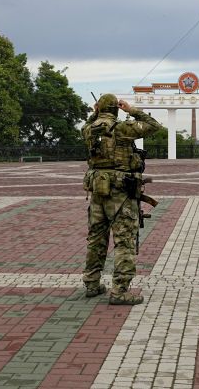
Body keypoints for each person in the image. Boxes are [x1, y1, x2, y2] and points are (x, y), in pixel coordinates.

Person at [81, 93, 162, 305]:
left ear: (99, 108)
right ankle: (119, 291)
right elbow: (153, 125)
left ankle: (91, 283)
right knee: (124, 241)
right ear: (116, 108)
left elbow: (86, 126)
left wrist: (94, 114)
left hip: (98, 191)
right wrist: (131, 110)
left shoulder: (89, 130)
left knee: (96, 239)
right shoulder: (121, 128)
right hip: (121, 194)